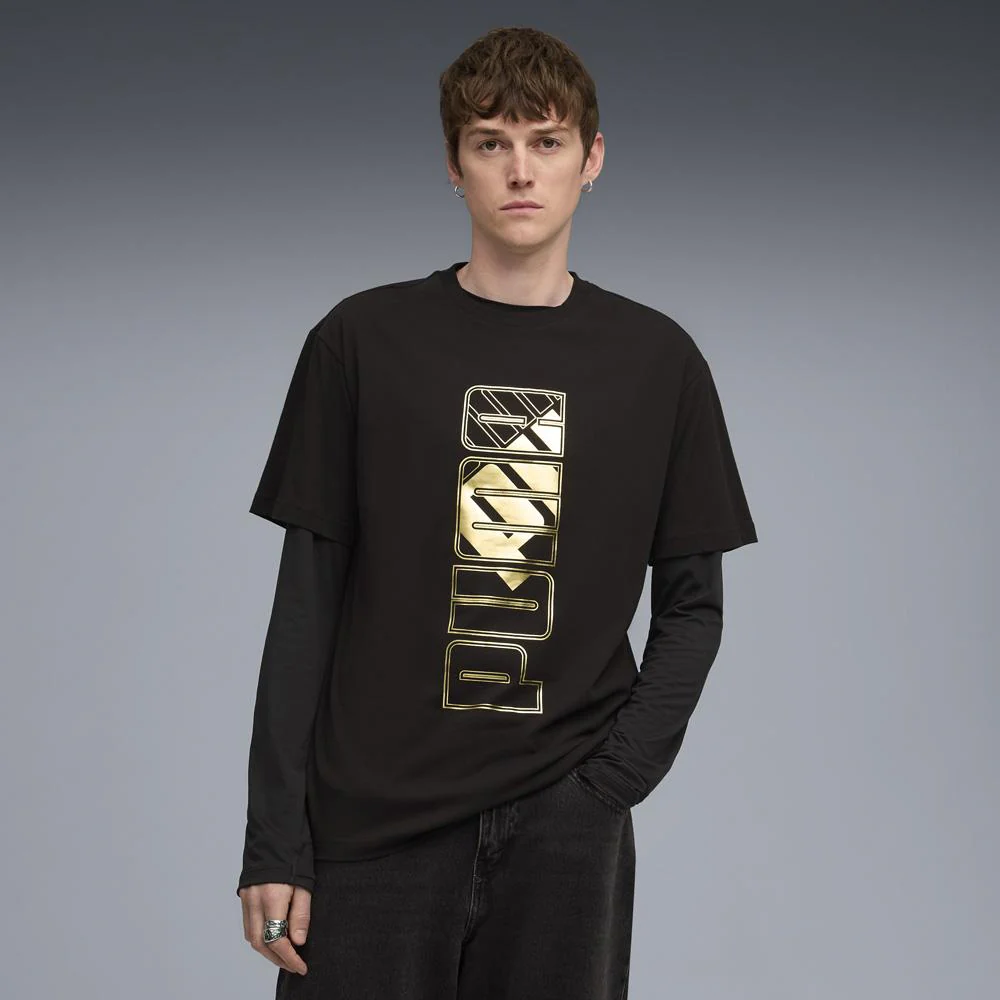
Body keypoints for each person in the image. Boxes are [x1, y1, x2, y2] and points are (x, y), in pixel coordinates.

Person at [236, 24, 757, 1000]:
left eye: (546, 141)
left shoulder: (658, 363)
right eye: (491, 142)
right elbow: (306, 603)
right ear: (454, 164)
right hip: (371, 825)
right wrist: (273, 840)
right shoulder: (360, 341)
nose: (520, 170)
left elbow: (694, 604)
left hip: (564, 829)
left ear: (591, 159)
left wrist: (608, 787)